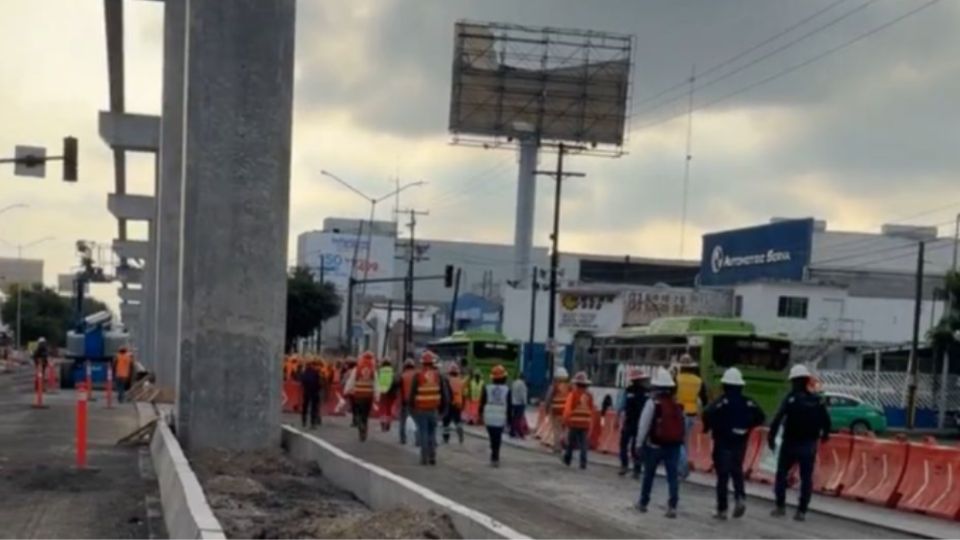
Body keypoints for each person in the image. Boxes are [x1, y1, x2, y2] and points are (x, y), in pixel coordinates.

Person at [769, 364, 831, 522]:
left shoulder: (790, 399)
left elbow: (777, 419)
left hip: (790, 443)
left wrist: (771, 437)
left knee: (781, 474)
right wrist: (825, 435)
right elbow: (826, 421)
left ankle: (780, 506)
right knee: (806, 478)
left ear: (793, 381)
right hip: (809, 444)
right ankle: (802, 510)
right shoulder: (817, 400)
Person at [702, 367, 766, 520]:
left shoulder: (721, 402)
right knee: (737, 471)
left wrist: (709, 428)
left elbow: (707, 414)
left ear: (725, 385)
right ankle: (739, 497)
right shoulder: (748, 402)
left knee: (722, 476)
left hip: (722, 441)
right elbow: (761, 416)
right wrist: (748, 427)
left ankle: (722, 510)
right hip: (740, 441)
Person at [636, 367, 686, 518]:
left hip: (654, 446)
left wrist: (639, 444)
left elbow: (644, 425)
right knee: (672, 477)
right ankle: (672, 506)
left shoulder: (652, 403)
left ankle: (643, 503)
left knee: (649, 475)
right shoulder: (677, 405)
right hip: (673, 446)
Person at [409, 351, 449, 465]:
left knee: (423, 433)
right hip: (434, 409)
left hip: (421, 409)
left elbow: (412, 394)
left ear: (422, 363)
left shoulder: (418, 376)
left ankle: (424, 457)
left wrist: (411, 408)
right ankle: (432, 455)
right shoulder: (438, 376)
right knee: (432, 432)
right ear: (432, 363)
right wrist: (444, 410)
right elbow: (444, 394)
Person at [676, 354, 708, 479]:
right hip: (692, 414)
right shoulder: (698, 381)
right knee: (685, 441)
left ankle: (683, 468)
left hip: (678, 413)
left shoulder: (676, 379)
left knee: (678, 442)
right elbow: (704, 400)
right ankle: (682, 467)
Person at [618, 368, 649, 479]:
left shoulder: (628, 391)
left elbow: (621, 406)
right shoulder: (646, 392)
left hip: (630, 422)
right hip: (641, 423)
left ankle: (624, 466)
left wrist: (618, 418)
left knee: (624, 445)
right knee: (636, 446)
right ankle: (637, 468)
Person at [561, 371, 595, 469]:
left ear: (576, 384)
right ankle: (583, 463)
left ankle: (567, 459)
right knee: (583, 444)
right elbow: (592, 410)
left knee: (571, 443)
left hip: (574, 422)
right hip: (585, 423)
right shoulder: (590, 396)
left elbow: (567, 409)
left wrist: (565, 421)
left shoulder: (573, 394)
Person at [479, 364, 512, 467]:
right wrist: (510, 420)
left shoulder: (486, 388)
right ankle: (495, 457)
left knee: (492, 437)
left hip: (488, 418)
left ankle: (494, 454)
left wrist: (480, 415)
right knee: (497, 438)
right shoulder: (507, 390)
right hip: (500, 418)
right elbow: (510, 406)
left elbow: (482, 402)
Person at [344, 352, 379, 441]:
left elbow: (351, 381)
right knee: (365, 415)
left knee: (359, 412)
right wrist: (377, 396)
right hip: (368, 396)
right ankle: (364, 430)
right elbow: (376, 384)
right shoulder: (373, 371)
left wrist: (346, 390)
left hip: (358, 395)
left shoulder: (357, 369)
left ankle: (360, 425)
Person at [544, 367, 571, 452]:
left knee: (556, 429)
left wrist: (546, 409)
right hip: (566, 412)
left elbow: (548, 398)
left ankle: (557, 447)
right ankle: (566, 444)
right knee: (565, 429)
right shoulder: (569, 387)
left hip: (556, 411)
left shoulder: (554, 386)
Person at [391, 358, 417, 445]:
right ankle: (418, 440)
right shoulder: (417, 375)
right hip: (416, 402)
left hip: (405, 402)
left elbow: (394, 385)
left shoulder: (402, 376)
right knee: (417, 421)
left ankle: (403, 439)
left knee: (403, 421)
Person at [443, 363, 465, 444]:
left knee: (446, 421)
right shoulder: (460, 381)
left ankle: (446, 438)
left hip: (449, 404)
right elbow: (463, 392)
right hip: (458, 404)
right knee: (458, 420)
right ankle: (460, 432)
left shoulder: (447, 380)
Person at [300, 360, 322, 429]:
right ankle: (312, 422)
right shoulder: (316, 372)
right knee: (313, 408)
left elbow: (302, 382)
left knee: (306, 407)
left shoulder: (305, 373)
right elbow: (319, 383)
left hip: (308, 392)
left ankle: (304, 421)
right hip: (314, 392)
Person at [377, 359, 395, 432]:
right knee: (389, 409)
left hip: (382, 391)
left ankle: (382, 423)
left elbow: (377, 380)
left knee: (382, 409)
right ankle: (388, 423)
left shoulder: (380, 371)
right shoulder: (392, 371)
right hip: (390, 391)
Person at [509, 373, 528, 438]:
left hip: (514, 402)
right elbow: (523, 394)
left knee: (514, 417)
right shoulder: (522, 384)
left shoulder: (514, 383)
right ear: (523, 378)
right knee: (519, 418)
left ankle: (512, 431)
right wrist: (525, 403)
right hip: (520, 403)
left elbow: (511, 392)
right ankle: (520, 433)